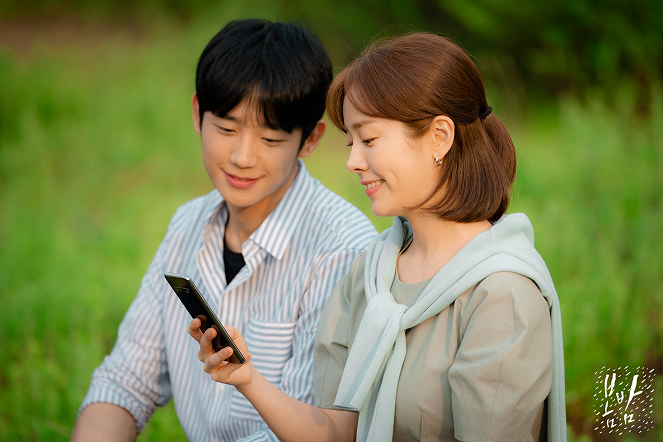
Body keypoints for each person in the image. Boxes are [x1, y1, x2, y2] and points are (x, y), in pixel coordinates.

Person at [190, 31, 567, 442]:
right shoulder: (370, 272)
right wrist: (248, 379)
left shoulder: (501, 293)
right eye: (351, 142)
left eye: (368, 140)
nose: (353, 161)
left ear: (440, 136)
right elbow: (338, 431)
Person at [71, 19, 377, 442]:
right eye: (227, 128)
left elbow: (319, 429)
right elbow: (126, 380)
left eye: (270, 139)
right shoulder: (188, 224)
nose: (242, 156)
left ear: (309, 140)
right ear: (199, 113)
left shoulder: (342, 250)